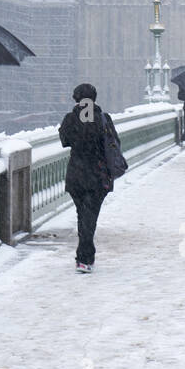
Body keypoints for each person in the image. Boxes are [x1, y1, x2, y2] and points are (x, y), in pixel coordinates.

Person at [58, 83, 115, 273]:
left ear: (76, 99)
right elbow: (113, 143)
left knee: (82, 215)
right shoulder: (103, 119)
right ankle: (84, 258)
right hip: (98, 175)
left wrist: (78, 124)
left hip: (76, 175)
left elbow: (64, 140)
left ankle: (85, 257)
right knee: (90, 217)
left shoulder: (70, 119)